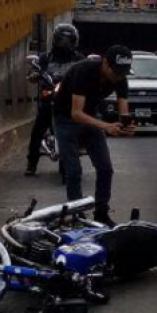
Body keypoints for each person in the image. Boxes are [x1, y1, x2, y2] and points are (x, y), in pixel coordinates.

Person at [52, 45, 136, 225]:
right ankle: (77, 216)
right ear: (105, 63)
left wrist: (125, 127)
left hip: (90, 115)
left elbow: (124, 111)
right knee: (74, 171)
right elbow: (76, 113)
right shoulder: (84, 71)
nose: (118, 77)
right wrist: (106, 126)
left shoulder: (121, 77)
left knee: (105, 168)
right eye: (115, 72)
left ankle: (101, 213)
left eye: (122, 73)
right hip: (66, 117)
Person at [25, 24, 85, 176]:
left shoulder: (79, 59)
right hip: (49, 99)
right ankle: (32, 163)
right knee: (37, 130)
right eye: (61, 40)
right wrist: (33, 75)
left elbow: (88, 71)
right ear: (55, 40)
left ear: (74, 42)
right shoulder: (46, 57)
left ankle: (83, 144)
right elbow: (34, 69)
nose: (65, 44)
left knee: (85, 122)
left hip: (70, 101)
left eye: (68, 41)